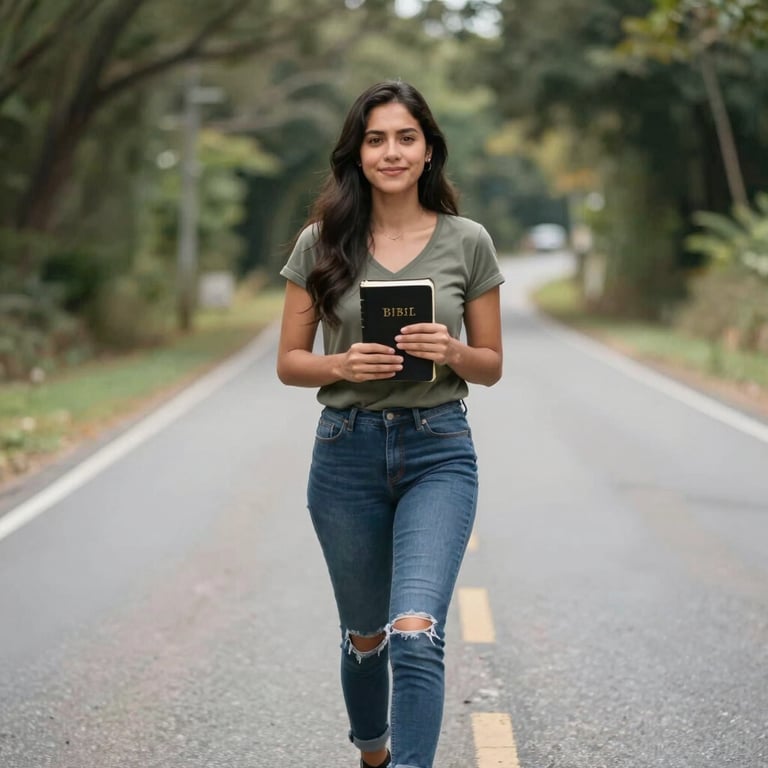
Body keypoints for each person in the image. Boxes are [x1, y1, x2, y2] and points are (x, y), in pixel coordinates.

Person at [276, 80, 504, 768]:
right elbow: (289, 363)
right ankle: (373, 753)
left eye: (406, 137)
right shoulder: (321, 242)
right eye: (376, 139)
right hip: (344, 458)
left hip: (439, 450)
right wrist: (343, 364)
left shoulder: (469, 242)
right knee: (367, 636)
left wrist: (452, 351)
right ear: (358, 153)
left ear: (429, 150)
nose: (391, 151)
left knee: (414, 631)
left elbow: (490, 365)